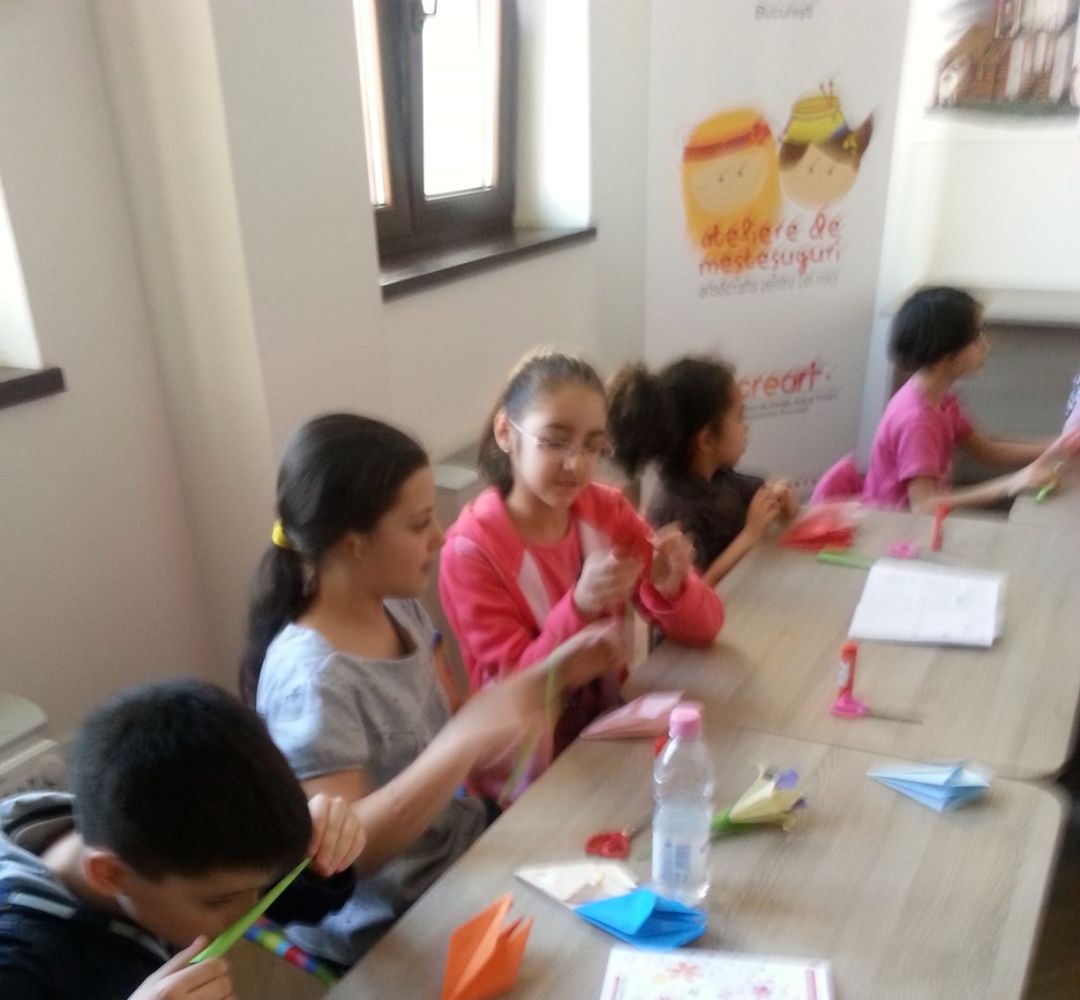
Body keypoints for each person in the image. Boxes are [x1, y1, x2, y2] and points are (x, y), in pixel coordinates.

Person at [242, 412, 620, 966]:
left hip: (453, 852)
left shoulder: (399, 609)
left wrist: (551, 676)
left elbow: (451, 716)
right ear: (354, 544)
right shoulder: (312, 680)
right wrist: (463, 743)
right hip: (389, 919)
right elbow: (346, 853)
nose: (441, 536)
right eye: (419, 524)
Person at [438, 350, 724, 798]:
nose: (576, 464)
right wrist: (578, 606)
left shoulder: (605, 509)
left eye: (593, 446)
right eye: (555, 441)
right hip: (522, 776)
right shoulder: (472, 550)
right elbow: (515, 691)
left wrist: (676, 588)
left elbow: (707, 626)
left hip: (606, 740)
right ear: (505, 433)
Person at [0, 679, 366, 1000]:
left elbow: (282, 898)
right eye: (220, 900)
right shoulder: (17, 962)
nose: (251, 910)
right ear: (110, 875)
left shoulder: (162, 844)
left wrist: (320, 856)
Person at [863, 286, 1079, 512]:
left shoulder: (942, 398)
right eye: (976, 338)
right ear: (943, 352)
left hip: (926, 518)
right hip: (897, 525)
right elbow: (923, 505)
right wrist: (1011, 484)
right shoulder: (917, 420)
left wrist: (1062, 445)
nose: (986, 345)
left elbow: (989, 450)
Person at [608, 356, 797, 585]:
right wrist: (750, 534)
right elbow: (696, 590)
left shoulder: (721, 477)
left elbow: (762, 497)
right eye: (739, 416)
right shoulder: (673, 511)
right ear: (707, 440)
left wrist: (778, 499)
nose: (746, 426)